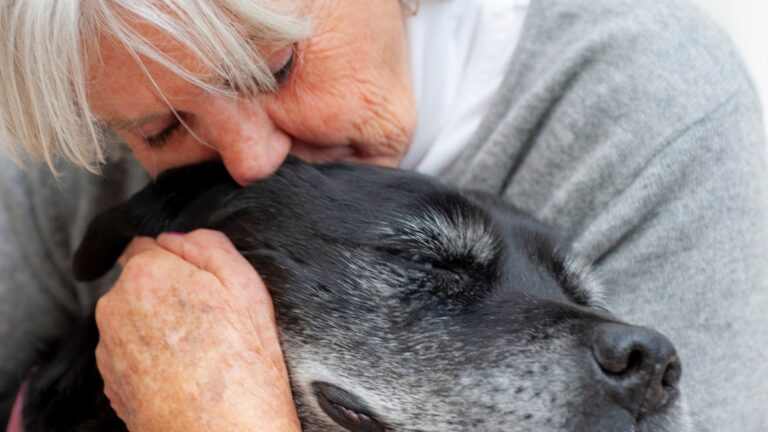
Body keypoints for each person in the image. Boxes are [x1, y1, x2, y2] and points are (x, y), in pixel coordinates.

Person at [1, 0, 766, 430]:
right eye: (162, 131)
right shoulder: (85, 125)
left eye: (278, 66)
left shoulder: (657, 111)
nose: (251, 163)